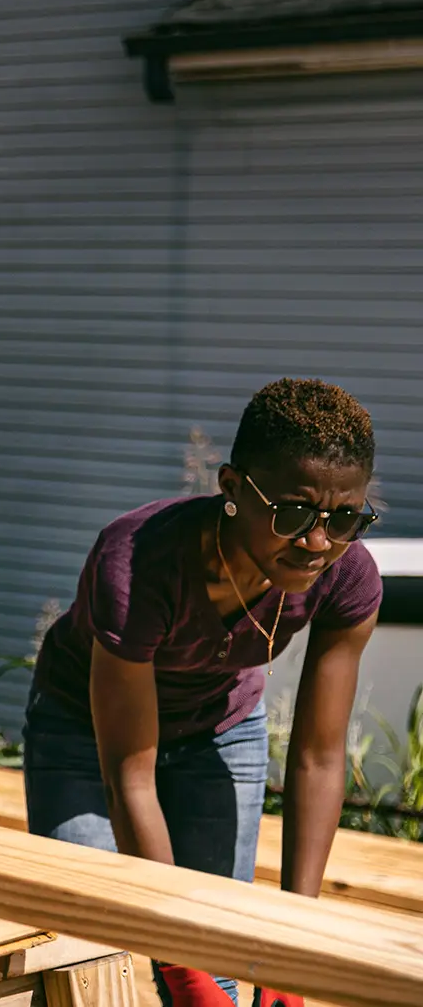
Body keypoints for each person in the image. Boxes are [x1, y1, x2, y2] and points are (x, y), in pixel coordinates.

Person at [25, 378, 379, 1007]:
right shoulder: (138, 563)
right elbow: (128, 776)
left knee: (218, 951)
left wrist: (295, 947)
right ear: (233, 489)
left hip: (221, 727)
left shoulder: (347, 578)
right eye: (293, 512)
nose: (317, 542)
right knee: (87, 944)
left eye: (344, 517)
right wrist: (177, 960)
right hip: (86, 736)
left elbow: (319, 759)